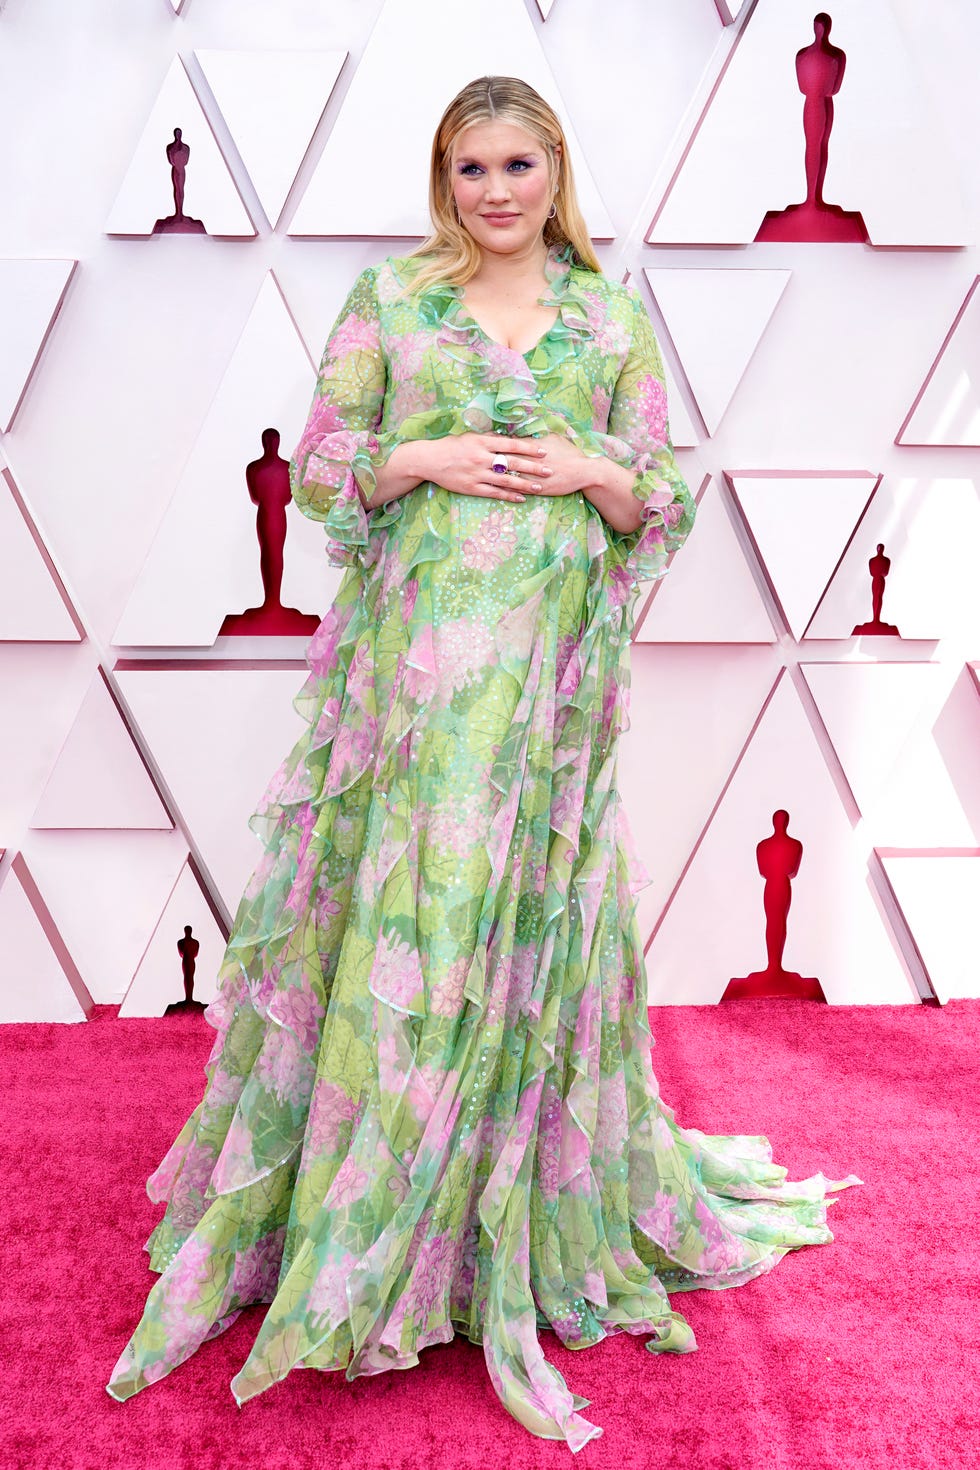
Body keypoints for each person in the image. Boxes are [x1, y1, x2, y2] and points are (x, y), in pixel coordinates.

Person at [107, 76, 860, 1449]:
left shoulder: (608, 315)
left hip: (547, 699)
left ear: (552, 169)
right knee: (417, 927)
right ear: (441, 176)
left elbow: (662, 494)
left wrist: (584, 472)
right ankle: (369, 1224)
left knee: (518, 924)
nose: (497, 190)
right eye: (471, 168)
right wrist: (427, 453)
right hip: (422, 685)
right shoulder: (393, 305)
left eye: (518, 164)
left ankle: (490, 1220)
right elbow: (328, 468)